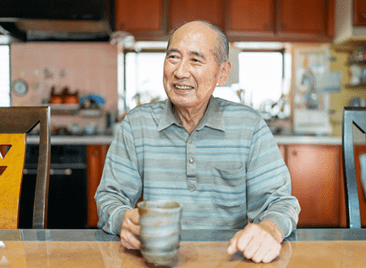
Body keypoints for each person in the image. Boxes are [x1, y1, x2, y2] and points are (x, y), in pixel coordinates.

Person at [95, 20, 300, 264]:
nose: (180, 71)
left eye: (195, 60)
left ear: (222, 73)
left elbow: (280, 202)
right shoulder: (136, 124)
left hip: (227, 259)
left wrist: (270, 230)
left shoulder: (249, 125)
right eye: (173, 57)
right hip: (155, 260)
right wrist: (122, 219)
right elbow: (110, 197)